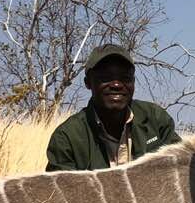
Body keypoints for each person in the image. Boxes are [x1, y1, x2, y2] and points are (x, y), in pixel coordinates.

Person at [45, 43, 181, 171]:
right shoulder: (67, 137)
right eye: (106, 77)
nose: (116, 85)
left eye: (125, 77)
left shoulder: (156, 120)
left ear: (133, 82)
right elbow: (59, 192)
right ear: (88, 83)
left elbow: (182, 171)